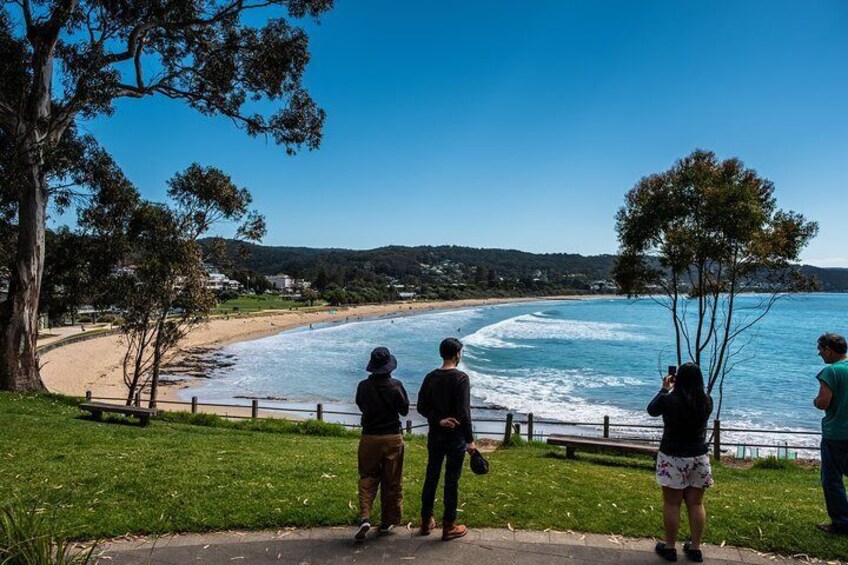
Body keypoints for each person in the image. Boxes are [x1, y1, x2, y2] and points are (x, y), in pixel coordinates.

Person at [647, 363, 714, 563]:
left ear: (678, 379)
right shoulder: (706, 401)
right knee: (696, 503)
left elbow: (652, 410)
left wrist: (664, 388)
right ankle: (695, 548)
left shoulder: (669, 401)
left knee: (672, 503)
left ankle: (669, 547)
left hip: (673, 456)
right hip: (699, 457)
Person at [416, 337, 477, 541]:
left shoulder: (430, 377)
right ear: (457, 353)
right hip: (455, 438)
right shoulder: (461, 378)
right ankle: (449, 525)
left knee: (431, 476)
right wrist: (470, 440)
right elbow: (464, 412)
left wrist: (439, 420)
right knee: (452, 480)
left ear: (442, 354)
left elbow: (421, 407)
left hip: (435, 435)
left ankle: (426, 521)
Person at [353, 347, 410, 541]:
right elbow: (404, 411)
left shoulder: (363, 386)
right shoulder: (396, 385)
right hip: (392, 437)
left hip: (369, 436)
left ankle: (365, 516)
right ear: (389, 368)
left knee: (367, 477)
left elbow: (361, 405)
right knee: (392, 480)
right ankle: (387, 522)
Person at [813, 333, 848, 535]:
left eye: (821, 350)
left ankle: (841, 522)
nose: (819, 354)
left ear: (829, 349)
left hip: (836, 433)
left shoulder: (831, 372)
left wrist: (815, 402)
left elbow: (823, 402)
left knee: (832, 479)